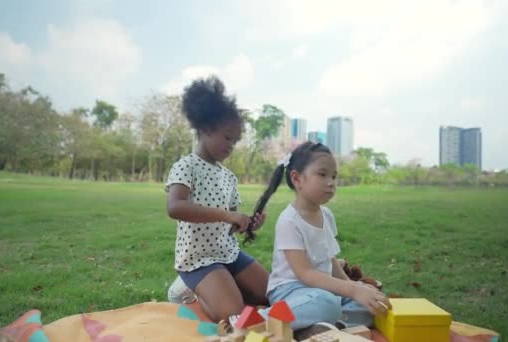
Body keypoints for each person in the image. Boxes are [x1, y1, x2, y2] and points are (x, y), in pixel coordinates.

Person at [260, 141, 392, 339]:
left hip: (322, 289)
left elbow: (330, 261)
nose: (331, 182)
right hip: (291, 292)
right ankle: (261, 319)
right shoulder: (289, 221)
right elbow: (305, 274)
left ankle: (317, 328)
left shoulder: (327, 215)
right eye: (322, 174)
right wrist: (352, 289)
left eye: (333, 176)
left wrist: (356, 288)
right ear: (297, 179)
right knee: (327, 303)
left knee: (371, 305)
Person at [165, 76, 268, 322]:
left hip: (228, 252)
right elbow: (175, 207)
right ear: (204, 129)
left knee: (270, 294)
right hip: (197, 259)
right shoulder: (186, 166)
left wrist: (247, 224)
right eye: (227, 137)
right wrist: (227, 215)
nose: (231, 145)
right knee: (234, 313)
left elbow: (230, 226)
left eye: (235, 140)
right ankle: (192, 289)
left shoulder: (229, 177)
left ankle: (222, 283)